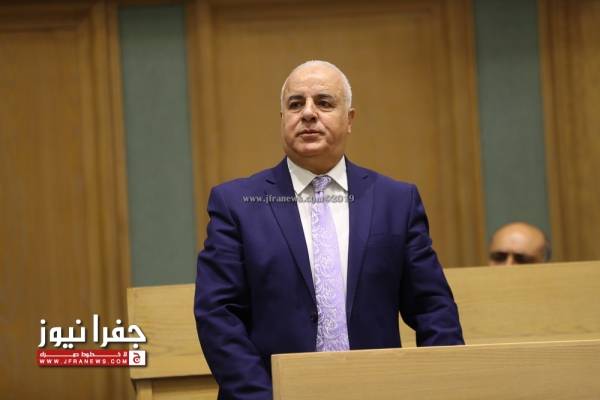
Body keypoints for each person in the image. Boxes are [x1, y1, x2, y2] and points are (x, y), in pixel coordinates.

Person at [194, 60, 464, 400]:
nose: (308, 113)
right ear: (282, 119)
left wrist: (443, 386)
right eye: (296, 104)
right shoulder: (236, 204)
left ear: (349, 119)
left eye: (324, 102)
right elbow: (218, 314)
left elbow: (433, 309)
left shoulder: (396, 201)